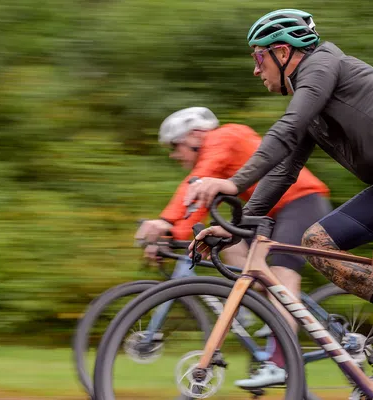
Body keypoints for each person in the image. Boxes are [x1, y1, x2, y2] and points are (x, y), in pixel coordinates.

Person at [185, 9, 373, 400]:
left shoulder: (322, 65)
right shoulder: (311, 100)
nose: (255, 70)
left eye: (258, 58)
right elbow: (283, 172)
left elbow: (283, 133)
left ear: (283, 52)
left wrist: (232, 181)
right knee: (316, 243)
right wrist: (237, 228)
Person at [133, 106, 333, 388]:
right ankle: (256, 307)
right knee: (231, 249)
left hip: (300, 201)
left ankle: (280, 362)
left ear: (195, 135)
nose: (174, 154)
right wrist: (174, 231)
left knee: (282, 273)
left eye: (176, 146)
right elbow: (201, 199)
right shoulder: (215, 151)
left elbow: (200, 184)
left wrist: (167, 222)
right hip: (268, 212)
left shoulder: (223, 137)